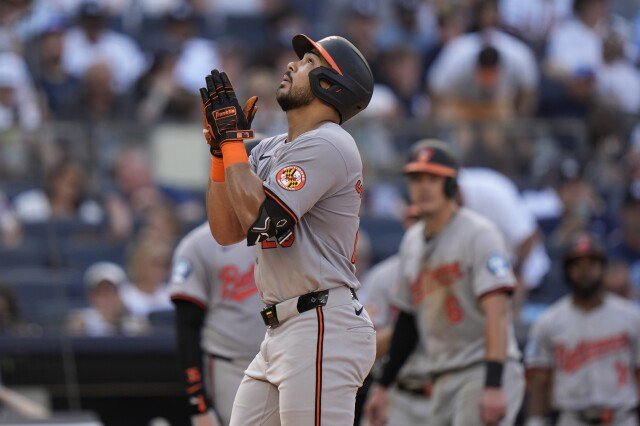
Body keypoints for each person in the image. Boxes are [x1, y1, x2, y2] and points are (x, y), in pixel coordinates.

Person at [200, 33, 376, 424]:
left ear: (330, 85)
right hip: (284, 329)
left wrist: (232, 145)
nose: (293, 65)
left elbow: (266, 224)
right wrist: (221, 153)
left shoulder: (330, 143)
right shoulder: (269, 147)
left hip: (322, 324)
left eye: (310, 62)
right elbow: (227, 231)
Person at [364, 140, 524, 426]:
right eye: (416, 178)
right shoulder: (411, 242)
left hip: (481, 368)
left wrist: (493, 385)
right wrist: (382, 386)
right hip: (443, 376)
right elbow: (407, 323)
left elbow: (498, 312)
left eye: (433, 178)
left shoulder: (479, 233)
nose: (423, 187)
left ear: (451, 185)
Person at [525, 233, 640, 426]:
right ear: (566, 271)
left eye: (591, 264)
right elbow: (538, 379)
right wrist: (535, 421)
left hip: (621, 417)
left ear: (603, 268)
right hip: (572, 418)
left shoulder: (631, 317)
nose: (585, 271)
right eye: (577, 265)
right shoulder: (548, 321)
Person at [169, 221, 265, 426]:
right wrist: (199, 403)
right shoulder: (197, 244)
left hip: (286, 358)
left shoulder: (286, 230)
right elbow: (187, 326)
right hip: (231, 365)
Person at [66, 262, 149, 337]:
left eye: (112, 292)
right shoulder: (82, 321)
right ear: (91, 296)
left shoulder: (135, 323)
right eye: (101, 293)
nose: (108, 299)